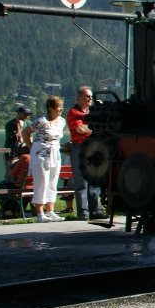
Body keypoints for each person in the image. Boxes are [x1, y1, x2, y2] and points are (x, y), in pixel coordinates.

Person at [22, 96, 67, 223]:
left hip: (55, 153)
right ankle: (40, 213)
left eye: (61, 107)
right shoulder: (41, 121)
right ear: (50, 108)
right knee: (41, 182)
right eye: (58, 107)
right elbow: (25, 132)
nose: (61, 109)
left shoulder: (62, 121)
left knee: (52, 181)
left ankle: (50, 211)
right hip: (41, 153)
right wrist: (31, 147)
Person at [68, 86, 106, 220]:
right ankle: (83, 212)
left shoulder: (93, 112)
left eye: (91, 96)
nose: (90, 99)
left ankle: (96, 210)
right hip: (79, 147)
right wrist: (96, 127)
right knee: (81, 180)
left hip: (93, 147)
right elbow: (80, 129)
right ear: (79, 98)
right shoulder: (73, 112)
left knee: (95, 178)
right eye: (87, 96)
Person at [3, 106, 31, 170]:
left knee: (25, 172)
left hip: (25, 152)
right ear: (19, 113)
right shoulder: (10, 124)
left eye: (28, 115)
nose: (26, 116)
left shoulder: (28, 123)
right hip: (12, 153)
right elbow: (15, 139)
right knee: (11, 172)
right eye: (25, 114)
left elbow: (30, 137)